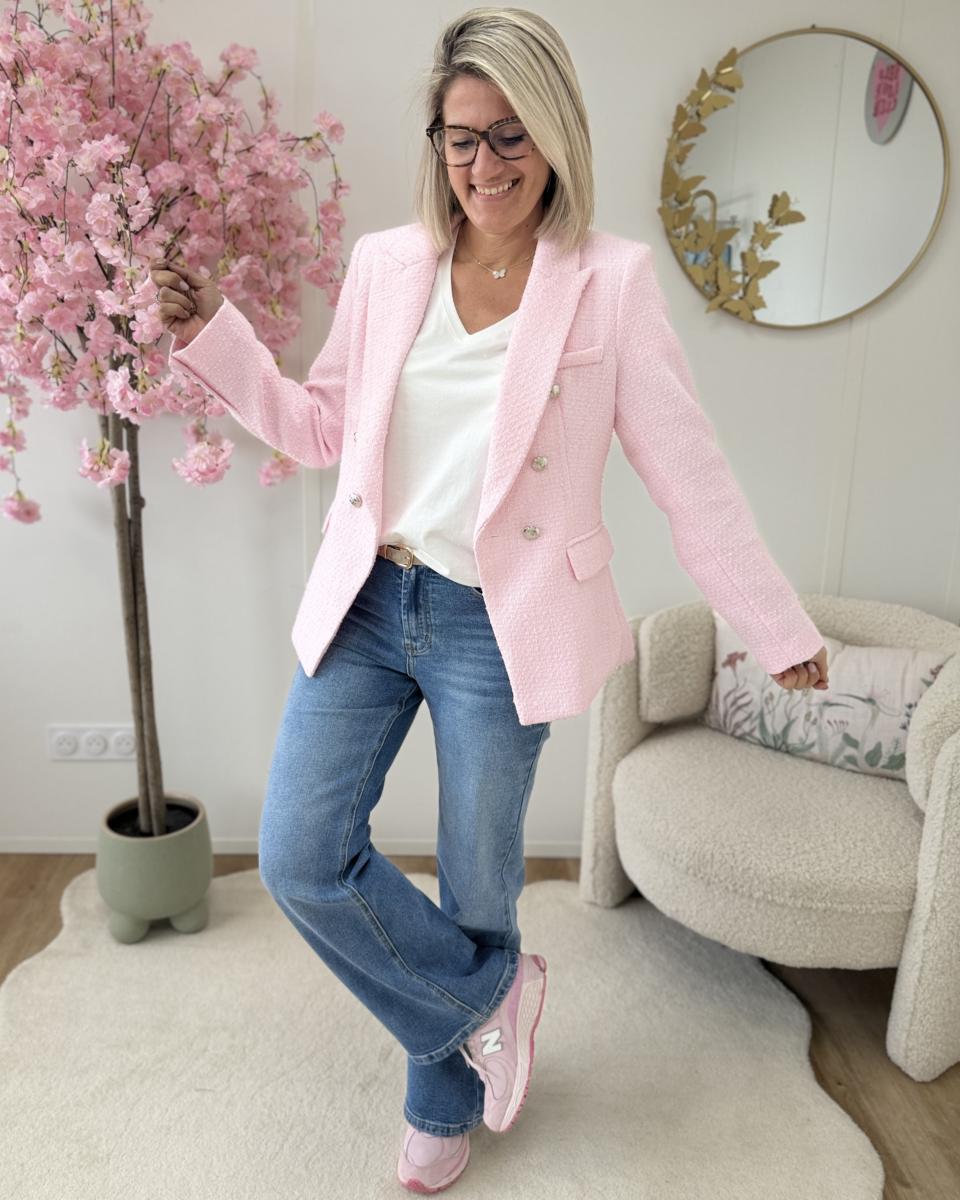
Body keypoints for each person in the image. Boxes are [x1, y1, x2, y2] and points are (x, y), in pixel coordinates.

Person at [150, 7, 829, 1192]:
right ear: (437, 144)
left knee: (476, 880)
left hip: (496, 624)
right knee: (299, 855)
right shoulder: (387, 264)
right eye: (461, 139)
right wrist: (220, 337)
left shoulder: (610, 283)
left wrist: (773, 626)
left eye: (510, 134)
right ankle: (488, 1003)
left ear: (556, 132)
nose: (485, 164)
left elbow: (692, 476)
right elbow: (320, 428)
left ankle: (442, 1095)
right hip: (370, 600)